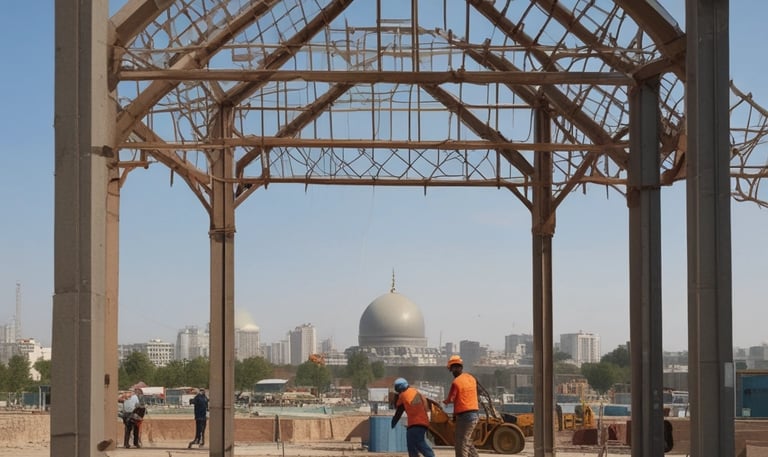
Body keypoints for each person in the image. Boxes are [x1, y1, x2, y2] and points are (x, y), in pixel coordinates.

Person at [443, 355, 479, 457]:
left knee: (461, 443)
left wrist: (445, 402)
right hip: (474, 414)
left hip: (465, 416)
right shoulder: (471, 378)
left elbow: (451, 399)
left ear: (454, 368)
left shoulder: (456, 382)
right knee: (466, 441)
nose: (452, 372)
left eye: (452, 369)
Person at [391, 377, 435, 457]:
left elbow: (399, 411)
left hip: (416, 423)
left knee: (419, 443)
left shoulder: (403, 395)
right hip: (421, 423)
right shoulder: (415, 391)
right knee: (411, 444)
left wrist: (393, 422)